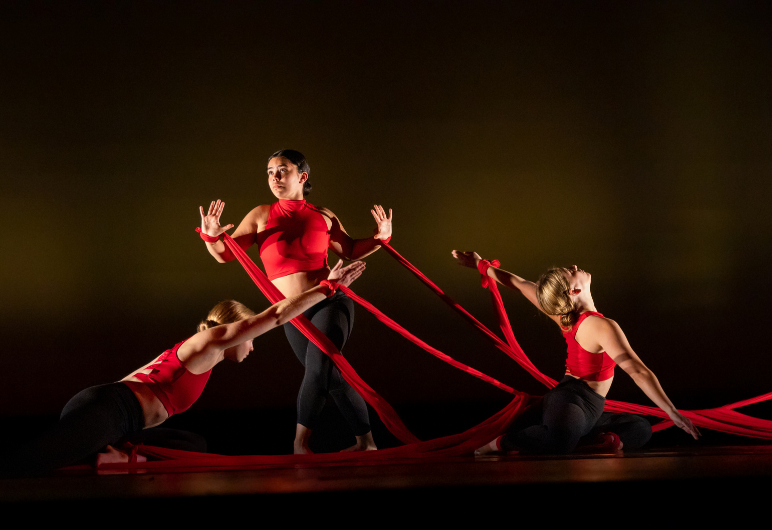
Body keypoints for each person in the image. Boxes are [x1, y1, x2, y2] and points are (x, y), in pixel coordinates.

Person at [0, 259, 366, 475]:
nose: (253, 346)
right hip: (109, 411)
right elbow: (275, 316)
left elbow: (134, 377)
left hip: (118, 417)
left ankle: (111, 455)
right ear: (237, 329)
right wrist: (326, 288)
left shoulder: (199, 354)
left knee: (193, 446)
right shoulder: (209, 342)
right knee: (27, 465)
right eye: (250, 337)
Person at [197, 149, 391, 454]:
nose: (274, 177)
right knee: (330, 375)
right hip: (291, 312)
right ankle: (366, 443)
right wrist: (211, 237)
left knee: (319, 366)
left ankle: (300, 444)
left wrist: (381, 238)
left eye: (282, 170)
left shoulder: (323, 215)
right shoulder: (261, 215)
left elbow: (350, 250)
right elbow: (224, 255)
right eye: (270, 172)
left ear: (302, 176)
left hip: (330, 301)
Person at [451, 250, 700, 454]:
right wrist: (672, 411)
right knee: (560, 441)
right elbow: (637, 370)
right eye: (570, 272)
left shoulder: (563, 315)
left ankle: (586, 440)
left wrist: (481, 265)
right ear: (573, 291)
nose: (574, 266)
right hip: (569, 400)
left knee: (641, 429)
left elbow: (519, 283)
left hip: (592, 408)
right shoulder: (601, 326)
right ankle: (501, 443)